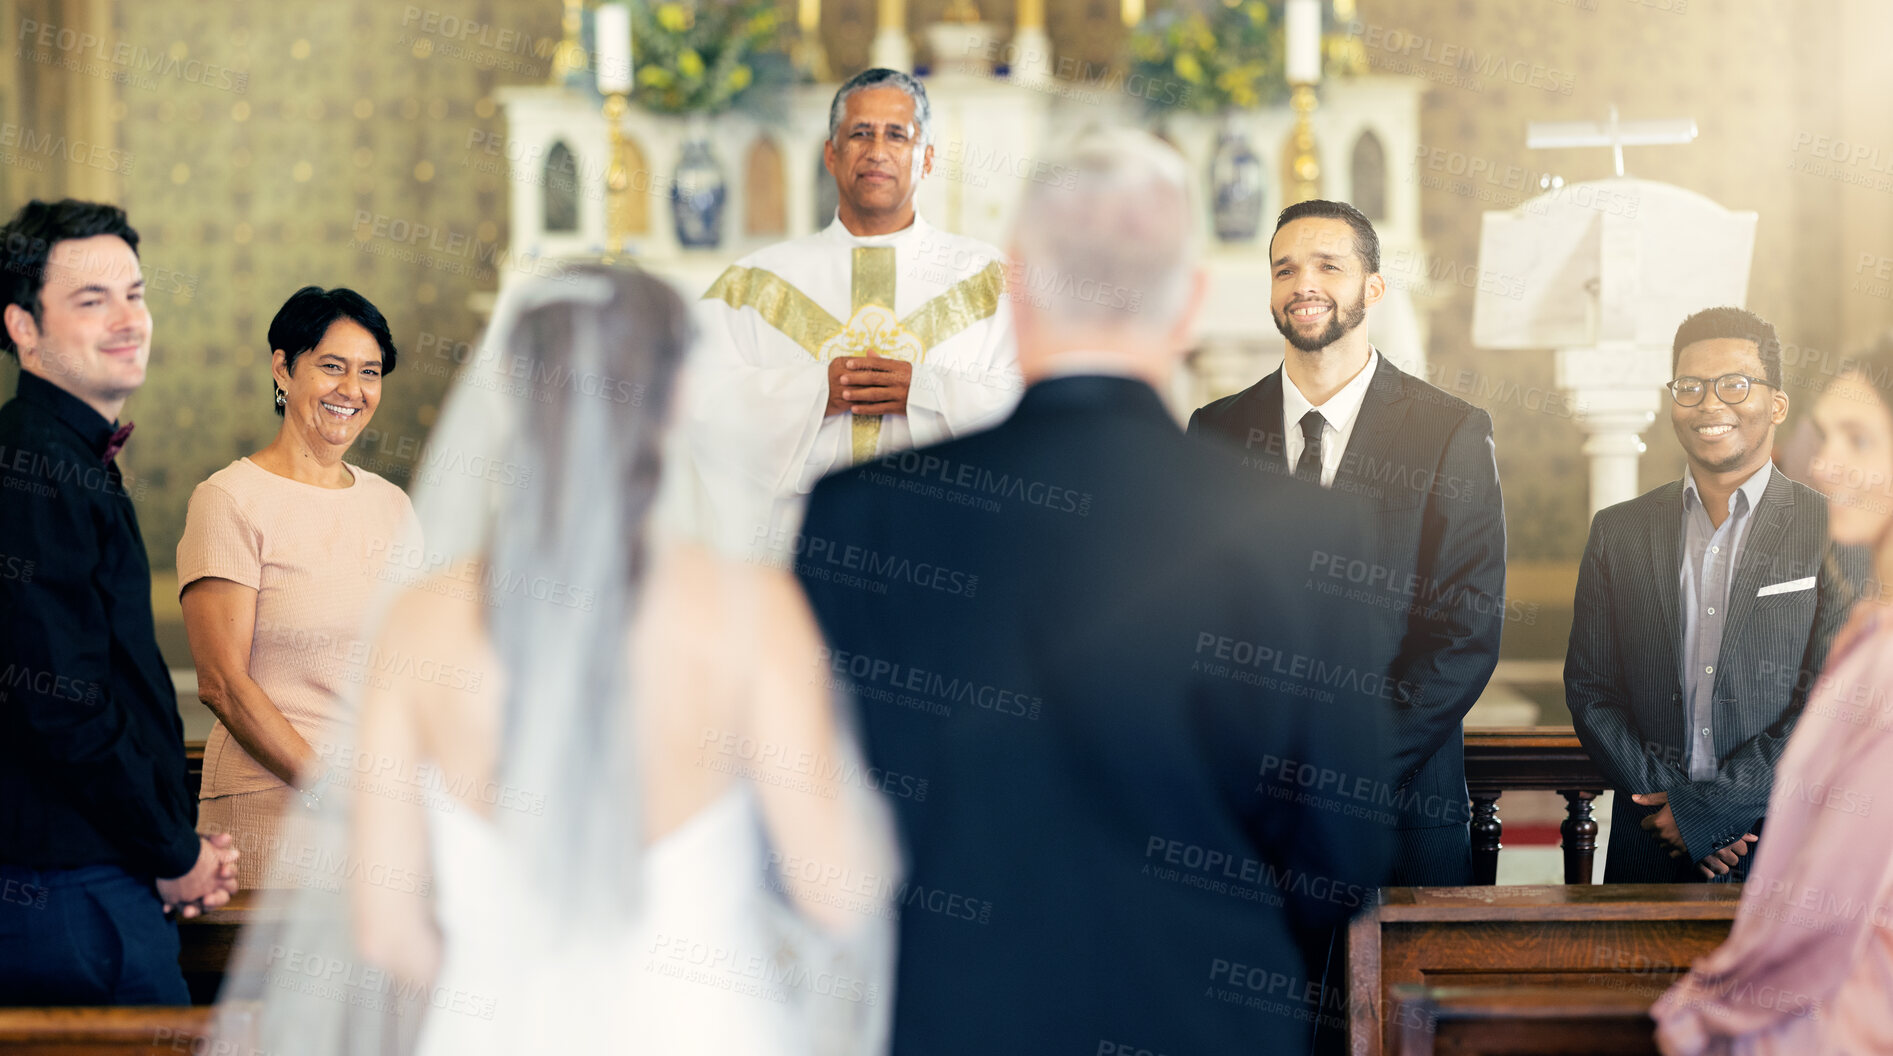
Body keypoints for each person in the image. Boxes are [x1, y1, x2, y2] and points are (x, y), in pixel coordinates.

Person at [794, 130, 1393, 1055]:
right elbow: (1345, 856)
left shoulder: (863, 516)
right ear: (1190, 301)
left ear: (1016, 285)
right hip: (1207, 1018)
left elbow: (818, 825)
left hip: (954, 1013)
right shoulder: (1308, 531)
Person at [207, 266, 898, 1056]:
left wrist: (496, 994)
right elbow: (835, 896)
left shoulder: (422, 624)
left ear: (512, 394)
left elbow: (387, 931)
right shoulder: (754, 613)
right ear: (678, 398)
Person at [1188, 199, 1507, 886]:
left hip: (1400, 804)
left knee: (1400, 998)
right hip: (1248, 810)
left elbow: (1464, 630)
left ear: (1372, 288)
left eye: (1328, 266)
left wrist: (1346, 771)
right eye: (1284, 269)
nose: (1303, 284)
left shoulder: (1446, 430)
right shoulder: (1214, 431)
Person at [0, 199, 237, 1004]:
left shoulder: (68, 457)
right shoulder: (33, 467)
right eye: (90, 300)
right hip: (64, 888)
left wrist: (170, 849)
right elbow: (62, 705)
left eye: (134, 293)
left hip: (99, 868)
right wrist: (175, 854)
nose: (128, 319)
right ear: (23, 328)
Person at [1566, 307, 1866, 883]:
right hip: (1650, 842)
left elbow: (1835, 701)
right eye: (1690, 386)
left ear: (1776, 404)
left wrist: (1710, 812)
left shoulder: (1832, 527)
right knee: (1635, 980)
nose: (1709, 403)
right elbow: (1591, 688)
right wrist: (1670, 807)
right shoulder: (1618, 531)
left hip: (1785, 844)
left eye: (1734, 384)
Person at [1651, 346, 1893, 1053]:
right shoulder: (1872, 635)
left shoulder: (1879, 656)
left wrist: (1707, 1007)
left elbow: (1829, 898)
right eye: (1828, 437)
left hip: (1845, 1007)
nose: (1823, 465)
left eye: (1859, 439)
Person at [678, 67, 1020, 557]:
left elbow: (1032, 404)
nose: (877, 150)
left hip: (944, 551)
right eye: (860, 133)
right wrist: (818, 392)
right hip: (802, 551)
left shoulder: (988, 279)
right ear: (831, 155)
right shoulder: (752, 284)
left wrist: (922, 389)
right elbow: (700, 402)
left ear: (926, 159)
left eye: (897, 135)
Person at [178, 286, 417, 889]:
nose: (352, 390)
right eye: (331, 366)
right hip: (275, 808)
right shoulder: (230, 500)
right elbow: (223, 685)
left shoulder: (392, 507)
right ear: (283, 368)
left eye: (369, 373)